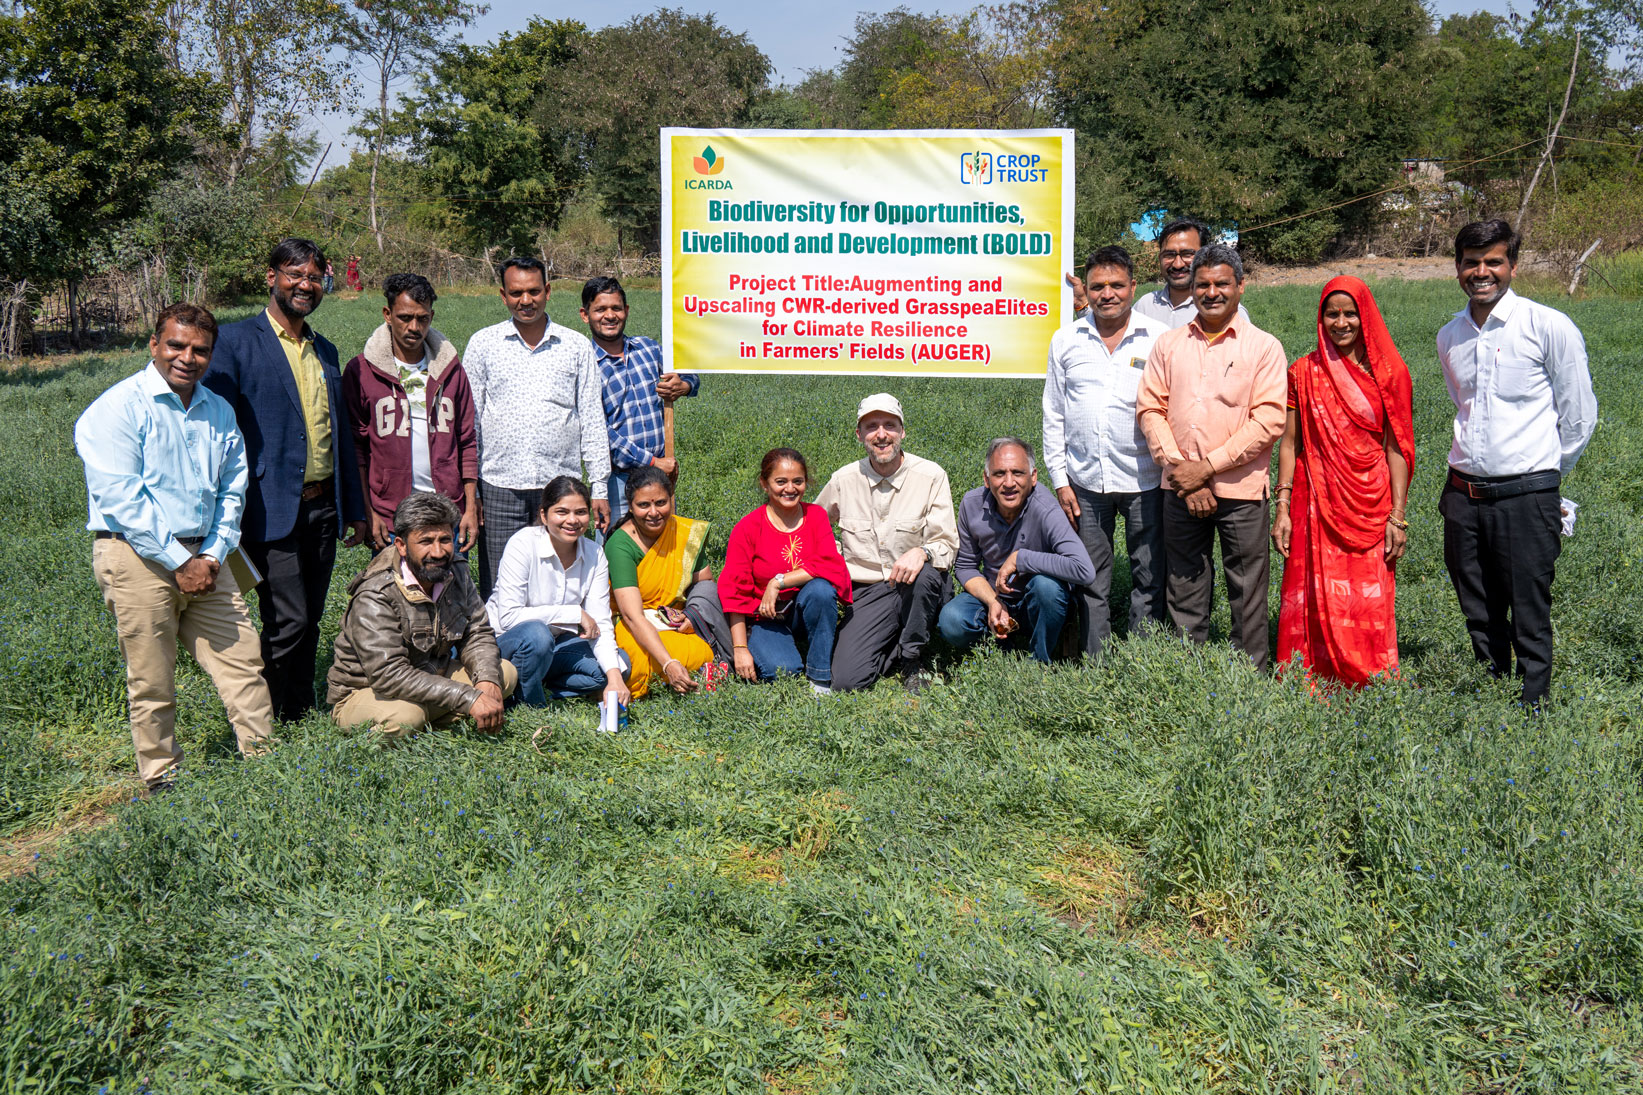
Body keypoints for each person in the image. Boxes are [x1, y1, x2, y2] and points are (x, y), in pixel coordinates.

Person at [76, 303, 275, 793]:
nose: (188, 357)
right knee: (151, 676)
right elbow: (123, 499)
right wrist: (179, 560)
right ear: (154, 345)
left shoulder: (218, 411)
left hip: (207, 558)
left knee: (244, 661)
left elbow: (234, 488)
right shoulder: (117, 408)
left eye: (200, 350)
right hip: (136, 557)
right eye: (176, 345)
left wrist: (210, 555)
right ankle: (163, 777)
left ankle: (267, 766)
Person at [203, 237, 368, 721]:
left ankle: (297, 706)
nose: (305, 284)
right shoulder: (234, 343)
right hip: (267, 505)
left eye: (314, 277)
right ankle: (266, 714)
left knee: (310, 615)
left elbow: (339, 435)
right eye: (295, 274)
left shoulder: (326, 350)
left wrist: (353, 508)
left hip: (323, 505)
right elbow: (215, 430)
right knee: (287, 617)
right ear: (271, 276)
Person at [1436, 219, 1596, 705]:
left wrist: (1544, 476)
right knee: (1476, 603)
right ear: (1458, 267)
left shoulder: (1548, 325)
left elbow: (1580, 415)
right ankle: (1491, 688)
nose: (1481, 272)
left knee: (1529, 604)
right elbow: (1462, 406)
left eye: (1493, 262)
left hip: (1528, 495)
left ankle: (1533, 703)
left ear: (1513, 266)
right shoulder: (1450, 336)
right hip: (1462, 494)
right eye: (1471, 262)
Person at [1136, 243, 1286, 669]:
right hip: (1180, 488)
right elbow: (1150, 408)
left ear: (1240, 286)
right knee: (1184, 582)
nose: (1211, 292)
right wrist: (1183, 471)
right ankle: (1189, 672)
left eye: (1222, 283)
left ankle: (1250, 674)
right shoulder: (1168, 345)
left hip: (1239, 490)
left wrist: (1206, 468)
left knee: (1248, 586)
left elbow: (1268, 421)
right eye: (1203, 284)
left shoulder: (1264, 348)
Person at [1271, 277, 1415, 686]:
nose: (1341, 322)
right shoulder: (1303, 372)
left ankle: (1369, 676)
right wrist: (1281, 507)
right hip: (1315, 498)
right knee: (1314, 589)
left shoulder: (1391, 375)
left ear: (1365, 315)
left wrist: (1398, 516)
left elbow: (1397, 448)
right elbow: (1289, 444)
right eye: (1331, 313)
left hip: (1372, 501)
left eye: (1350, 312)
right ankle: (1310, 675)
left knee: (1368, 594)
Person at [1042, 246, 1170, 661]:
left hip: (1145, 479)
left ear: (1134, 287)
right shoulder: (1066, 339)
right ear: (1087, 291)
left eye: (1117, 285)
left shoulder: (1158, 339)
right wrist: (1060, 480)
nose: (1107, 294)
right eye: (1097, 286)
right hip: (1085, 483)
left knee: (1148, 575)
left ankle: (1142, 661)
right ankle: (1095, 662)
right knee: (1091, 577)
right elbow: (1054, 413)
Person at [464, 257, 612, 597]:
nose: (525, 300)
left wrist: (599, 485)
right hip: (499, 484)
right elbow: (469, 421)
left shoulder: (575, 346)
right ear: (503, 295)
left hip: (559, 487)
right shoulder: (484, 344)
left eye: (533, 291)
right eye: (516, 293)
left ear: (547, 291)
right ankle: (503, 650)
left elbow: (591, 418)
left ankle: (559, 647)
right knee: (501, 585)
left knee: (558, 582)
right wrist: (472, 492)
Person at [328, 493, 516, 738]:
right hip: (368, 690)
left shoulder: (456, 571)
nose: (438, 552)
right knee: (407, 717)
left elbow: (476, 633)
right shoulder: (376, 594)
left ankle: (427, 725)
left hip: (430, 675)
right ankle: (420, 724)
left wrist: (486, 681)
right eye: (426, 541)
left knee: (503, 673)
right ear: (402, 545)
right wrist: (468, 697)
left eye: (445, 540)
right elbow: (389, 675)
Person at [815, 393, 957, 692]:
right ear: (859, 434)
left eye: (890, 425)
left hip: (917, 585)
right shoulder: (843, 480)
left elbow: (946, 543)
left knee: (926, 574)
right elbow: (815, 529)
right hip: (868, 590)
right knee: (847, 681)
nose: (881, 435)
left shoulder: (931, 476)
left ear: (902, 431)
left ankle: (913, 659)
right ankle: (899, 637)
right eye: (871, 426)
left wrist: (922, 551)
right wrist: (836, 558)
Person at [342, 273, 479, 553]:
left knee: (447, 593)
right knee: (394, 593)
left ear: (432, 315)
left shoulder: (451, 371)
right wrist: (368, 510)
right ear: (388, 314)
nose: (414, 327)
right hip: (390, 515)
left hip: (446, 511)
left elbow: (466, 440)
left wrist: (470, 506)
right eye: (405, 317)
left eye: (422, 318)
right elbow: (356, 448)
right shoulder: (361, 371)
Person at [937, 438, 1095, 663]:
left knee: (1046, 588)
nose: (1009, 482)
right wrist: (993, 601)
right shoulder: (971, 504)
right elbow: (965, 566)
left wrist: (1022, 559)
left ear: (1033, 477)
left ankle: (1038, 661)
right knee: (952, 621)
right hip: (996, 595)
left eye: (1018, 473)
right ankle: (1001, 651)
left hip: (1038, 601)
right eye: (999, 474)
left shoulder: (1047, 509)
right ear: (986, 478)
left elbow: (1084, 570)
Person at [485, 477, 630, 708]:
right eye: (561, 512)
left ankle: (537, 684)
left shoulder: (594, 554)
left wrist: (614, 679)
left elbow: (600, 621)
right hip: (506, 643)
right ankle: (531, 707)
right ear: (544, 515)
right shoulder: (523, 544)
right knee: (537, 634)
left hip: (553, 645)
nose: (572, 520)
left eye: (581, 512)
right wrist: (574, 614)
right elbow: (509, 617)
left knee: (619, 664)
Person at [719, 448, 853, 693]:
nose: (790, 489)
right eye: (780, 482)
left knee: (821, 591)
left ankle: (819, 677)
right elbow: (735, 591)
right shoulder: (747, 528)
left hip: (804, 609)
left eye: (797, 481)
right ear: (764, 484)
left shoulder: (816, 516)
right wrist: (739, 649)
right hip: (766, 616)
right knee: (782, 672)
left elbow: (829, 563)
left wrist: (777, 581)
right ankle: (777, 648)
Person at [580, 276, 699, 526]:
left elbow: (689, 373)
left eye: (616, 308)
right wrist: (654, 462)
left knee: (662, 552)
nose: (610, 316)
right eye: (600, 309)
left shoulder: (648, 349)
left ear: (627, 311)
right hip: (617, 480)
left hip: (661, 477)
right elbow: (599, 432)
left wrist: (684, 385)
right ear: (585, 314)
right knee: (619, 551)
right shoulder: (585, 363)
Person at [605, 466, 732, 698]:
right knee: (634, 663)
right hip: (632, 622)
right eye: (644, 505)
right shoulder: (621, 545)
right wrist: (668, 663)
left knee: (702, 650)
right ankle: (683, 672)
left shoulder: (683, 533)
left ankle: (681, 671)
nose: (654, 512)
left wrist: (692, 617)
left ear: (671, 499)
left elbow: (705, 586)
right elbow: (632, 616)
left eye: (661, 503)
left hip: (674, 620)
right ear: (631, 507)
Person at [1131, 219, 1249, 330]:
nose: (1178, 264)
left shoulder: (1226, 310)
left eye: (1187, 254)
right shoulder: (1145, 306)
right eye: (1169, 255)